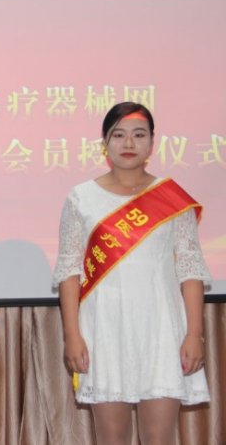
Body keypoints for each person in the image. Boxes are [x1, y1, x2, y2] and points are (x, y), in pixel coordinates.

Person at [53, 102, 210, 445]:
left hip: (162, 327)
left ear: (152, 142)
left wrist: (194, 334)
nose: (128, 143)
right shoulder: (82, 198)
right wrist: (72, 334)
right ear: (104, 143)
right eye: (118, 135)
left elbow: (190, 268)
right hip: (104, 327)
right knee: (112, 437)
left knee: (159, 437)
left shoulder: (171, 197)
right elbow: (69, 270)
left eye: (138, 135)